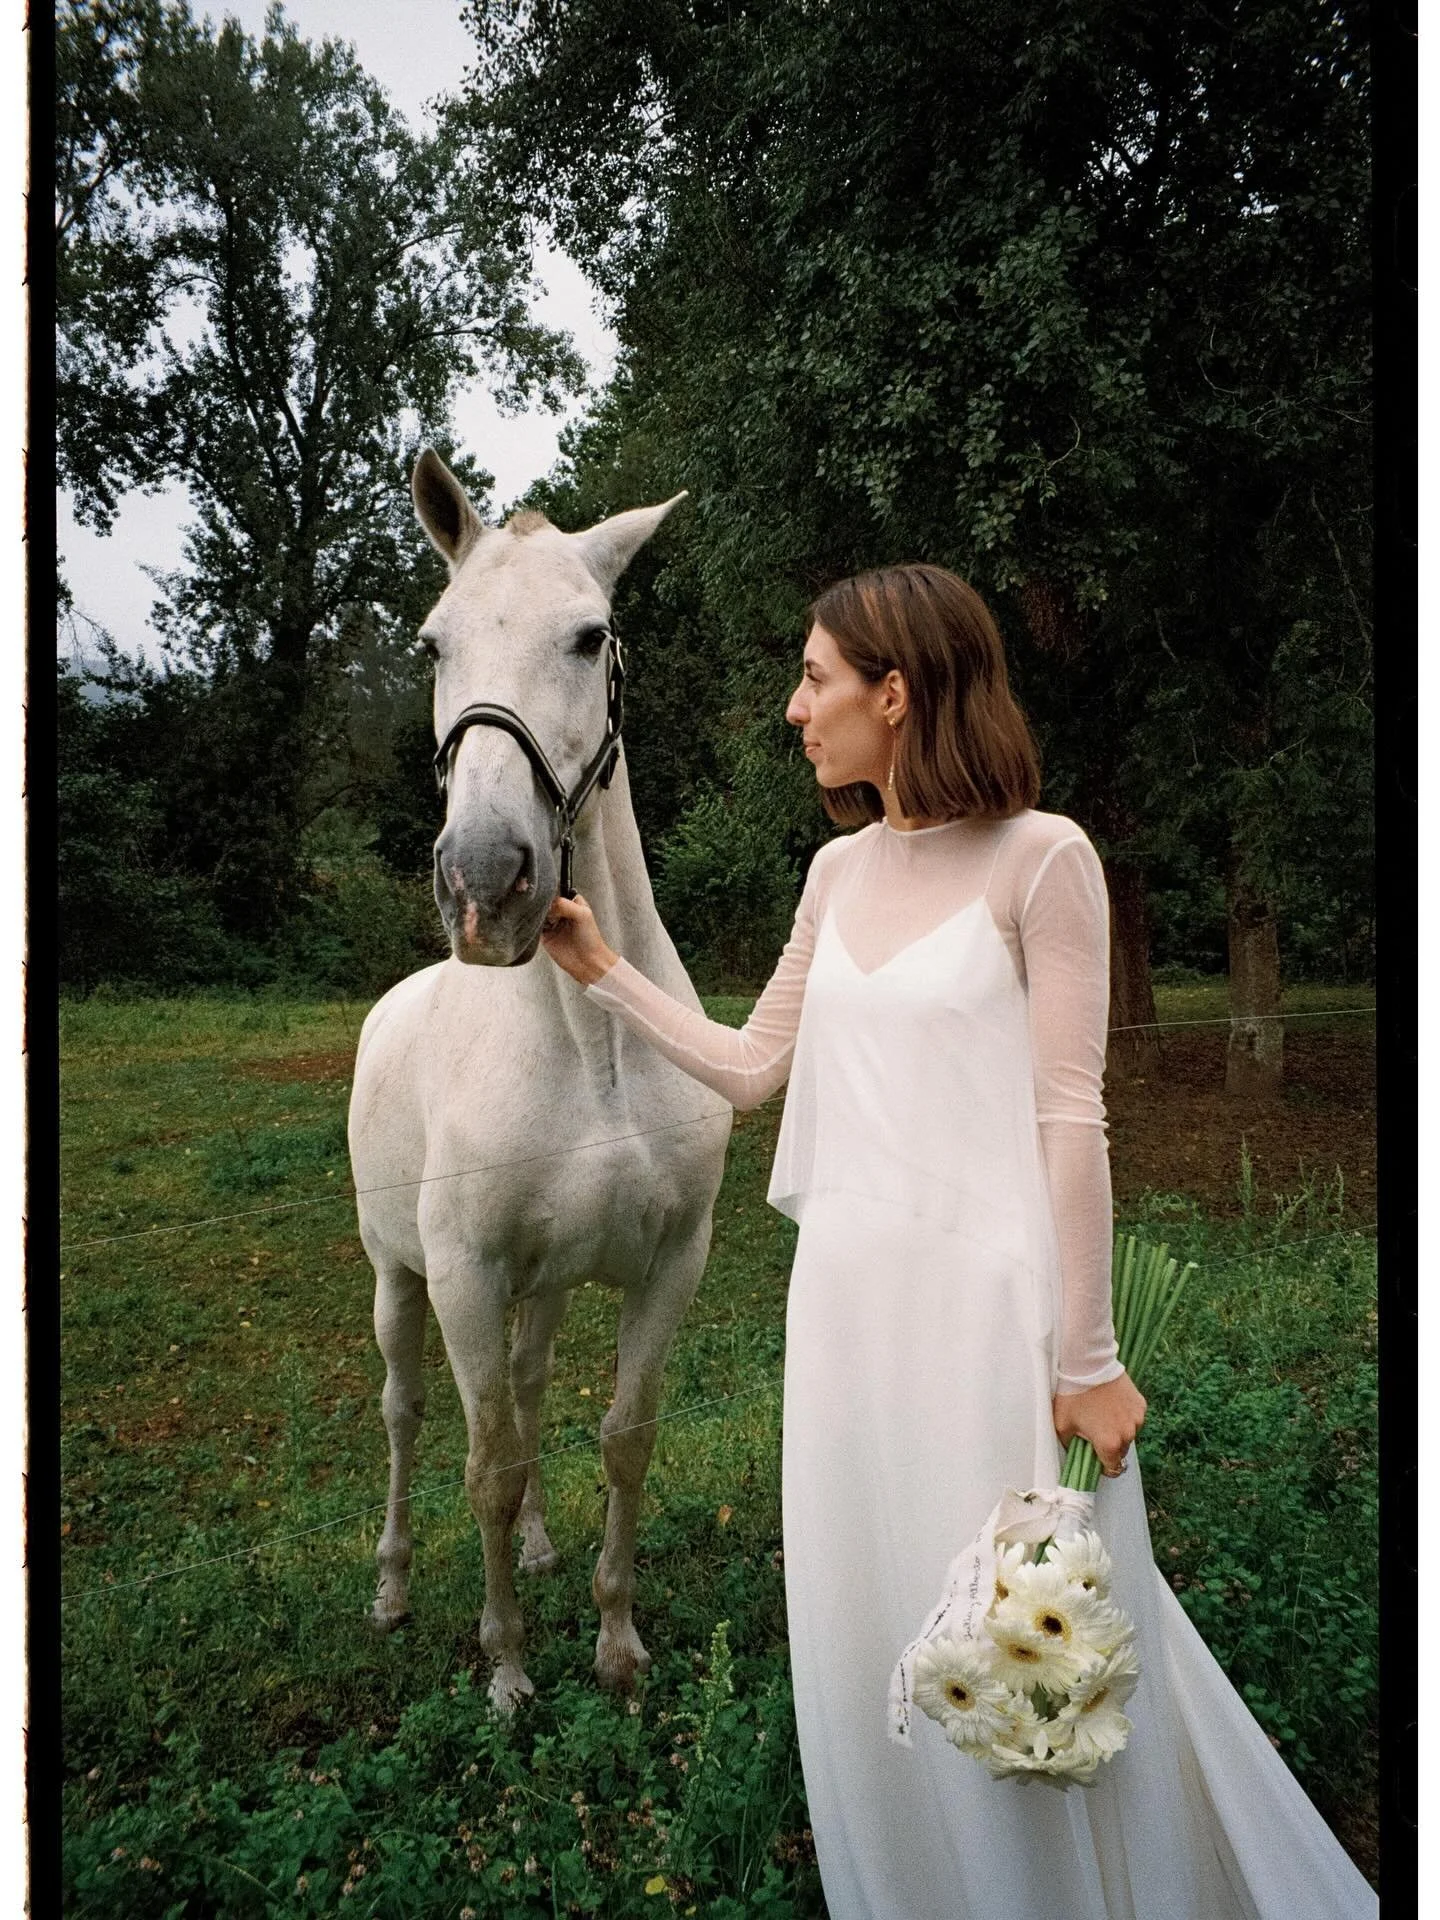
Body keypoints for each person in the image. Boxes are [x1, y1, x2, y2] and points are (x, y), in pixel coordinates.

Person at [541, 565, 1376, 1920]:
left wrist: (1089, 1356)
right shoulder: (834, 869)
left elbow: (1070, 1113)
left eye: (815, 680)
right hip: (847, 1323)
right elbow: (754, 1070)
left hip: (993, 1325)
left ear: (897, 691)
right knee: (882, 1625)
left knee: (1031, 1642)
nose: (793, 708)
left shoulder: (1043, 859)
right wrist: (603, 970)